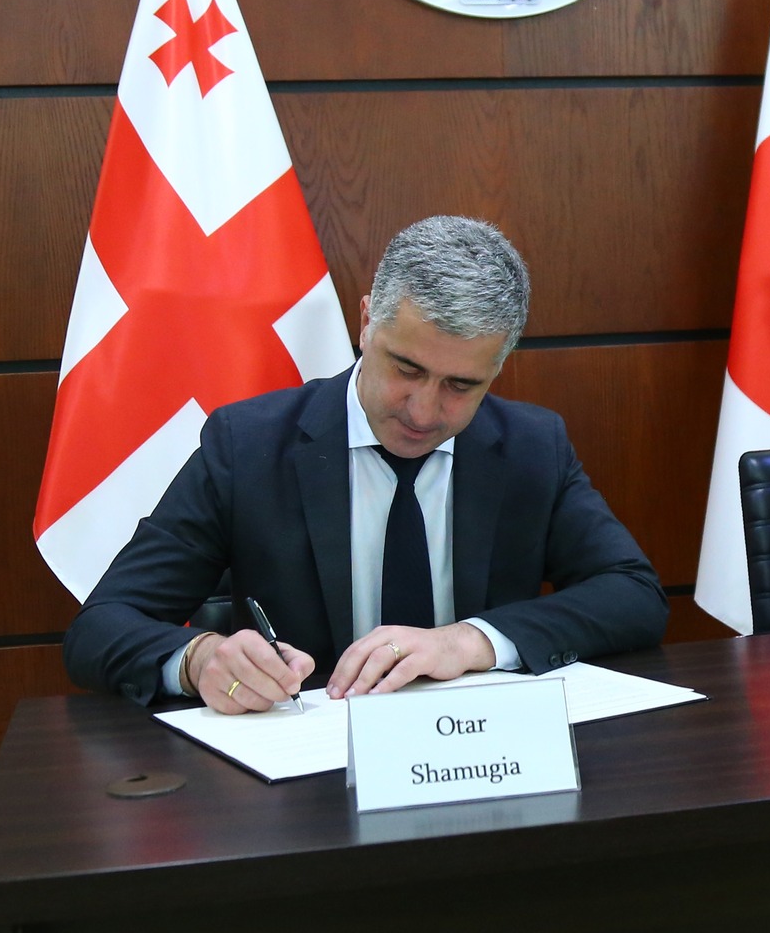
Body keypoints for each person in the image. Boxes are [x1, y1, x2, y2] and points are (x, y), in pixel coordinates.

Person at [64, 216, 669, 712]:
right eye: (406, 368)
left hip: (479, 756)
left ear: (498, 368)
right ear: (365, 323)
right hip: (310, 770)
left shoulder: (532, 447)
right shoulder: (248, 447)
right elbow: (101, 627)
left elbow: (634, 595)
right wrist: (199, 660)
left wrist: (470, 642)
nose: (423, 411)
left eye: (461, 385)